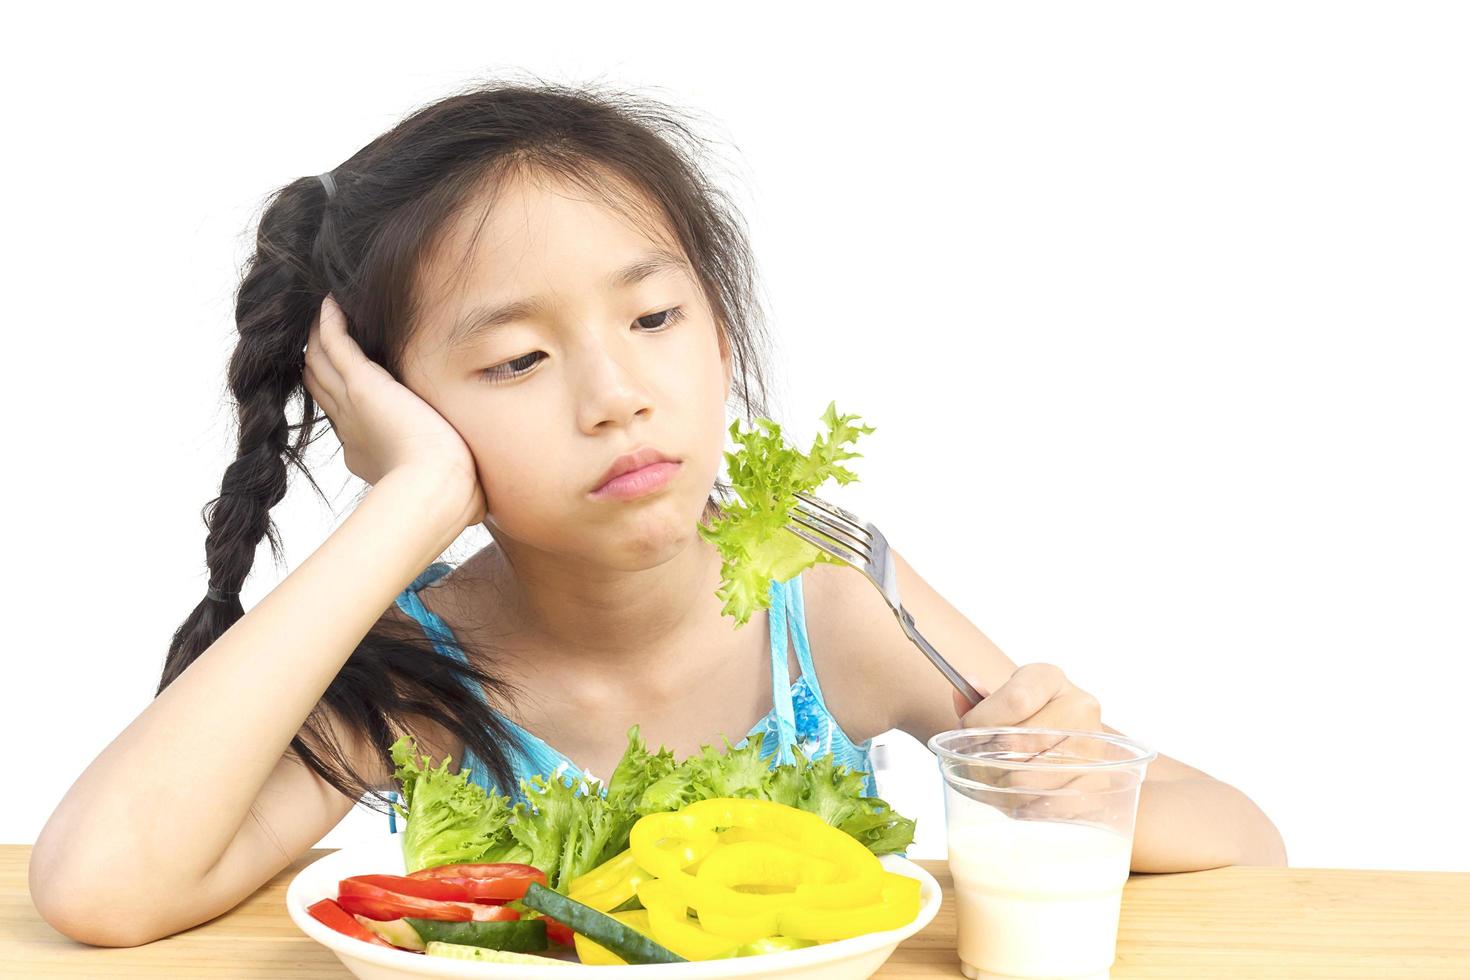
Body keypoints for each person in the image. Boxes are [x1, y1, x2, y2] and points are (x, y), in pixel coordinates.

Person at [29, 79, 1285, 948]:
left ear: (721, 334)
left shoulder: (821, 598)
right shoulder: (424, 672)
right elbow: (99, 887)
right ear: (404, 412)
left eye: (654, 319)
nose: (616, 396)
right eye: (517, 361)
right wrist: (402, 505)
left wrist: (1055, 782)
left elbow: (1244, 842)